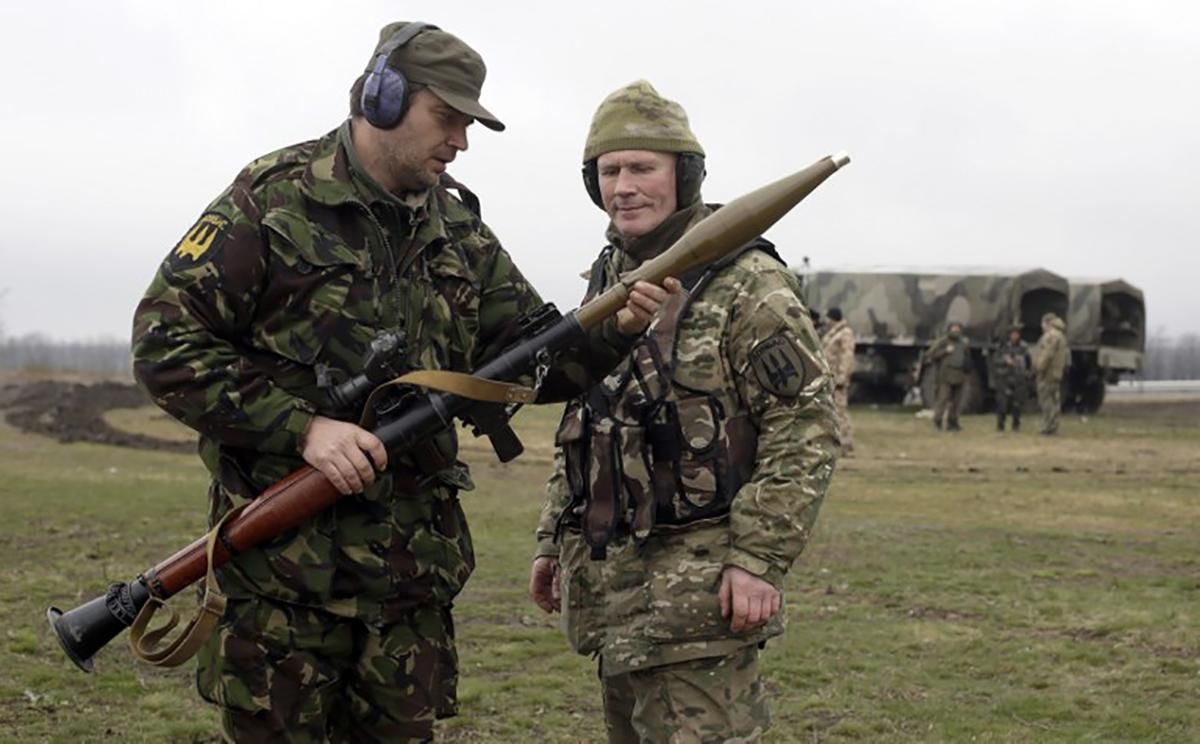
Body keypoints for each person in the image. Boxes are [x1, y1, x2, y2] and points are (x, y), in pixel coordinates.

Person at [131, 23, 671, 742]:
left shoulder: (457, 228)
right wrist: (304, 429)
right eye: (446, 118)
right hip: (285, 590)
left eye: (469, 123)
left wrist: (616, 330)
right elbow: (165, 344)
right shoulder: (271, 202)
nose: (461, 141)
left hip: (409, 592)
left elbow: (535, 362)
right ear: (382, 98)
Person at [527, 80, 838, 743]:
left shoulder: (748, 284)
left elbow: (804, 429)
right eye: (610, 171)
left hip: (698, 607)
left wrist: (758, 559)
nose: (624, 186)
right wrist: (553, 538)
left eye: (642, 168)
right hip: (617, 599)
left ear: (684, 176)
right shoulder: (606, 279)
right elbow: (586, 423)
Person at [923, 321, 971, 431]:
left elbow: (967, 357)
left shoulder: (963, 343)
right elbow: (930, 355)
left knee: (957, 401)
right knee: (943, 399)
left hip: (960, 374)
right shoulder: (943, 341)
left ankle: (953, 422)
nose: (956, 331)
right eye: (954, 329)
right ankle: (938, 421)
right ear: (949, 330)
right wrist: (945, 351)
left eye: (958, 329)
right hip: (946, 374)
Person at [821, 307, 857, 455]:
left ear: (832, 318)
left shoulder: (845, 334)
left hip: (838, 379)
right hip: (830, 377)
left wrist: (842, 377)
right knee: (832, 411)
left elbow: (847, 356)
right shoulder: (833, 333)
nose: (825, 321)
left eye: (827, 317)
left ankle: (846, 445)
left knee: (840, 411)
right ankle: (835, 442)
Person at [1033, 312, 1069, 435]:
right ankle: (1053, 425)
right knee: (1054, 400)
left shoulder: (1051, 335)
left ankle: (1048, 426)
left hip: (1048, 372)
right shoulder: (1061, 335)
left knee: (1046, 400)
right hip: (1056, 372)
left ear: (1047, 323)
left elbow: (1047, 354)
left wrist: (1039, 367)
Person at [991, 324, 1030, 432]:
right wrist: (1005, 361)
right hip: (1004, 378)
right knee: (1002, 404)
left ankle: (1016, 425)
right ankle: (1000, 425)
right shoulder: (1003, 347)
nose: (1014, 336)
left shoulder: (1023, 347)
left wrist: (1020, 364)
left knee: (1016, 404)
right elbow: (995, 361)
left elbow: (1028, 363)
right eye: (1012, 334)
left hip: (1018, 378)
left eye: (1016, 334)